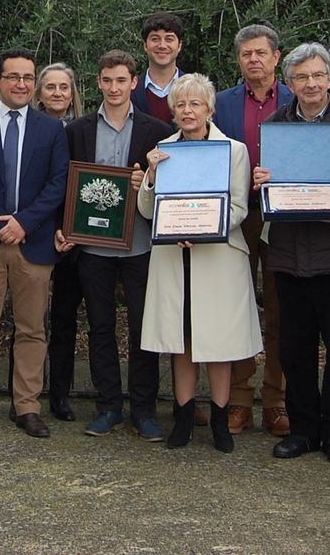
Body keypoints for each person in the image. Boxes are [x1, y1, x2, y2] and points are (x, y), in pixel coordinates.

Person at [252, 42, 330, 464]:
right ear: (288, 83)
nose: (311, 84)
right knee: (294, 347)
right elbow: (272, 187)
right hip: (287, 254)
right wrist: (263, 180)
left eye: (318, 75)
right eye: (301, 77)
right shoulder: (276, 125)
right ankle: (302, 429)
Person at [137, 72, 261, 451]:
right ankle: (184, 418)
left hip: (218, 257)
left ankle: (220, 422)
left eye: (195, 103)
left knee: (217, 341)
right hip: (175, 257)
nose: (187, 110)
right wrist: (152, 174)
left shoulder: (234, 150)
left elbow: (239, 206)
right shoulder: (162, 148)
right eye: (180, 104)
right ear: (172, 110)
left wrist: (204, 228)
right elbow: (146, 209)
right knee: (183, 339)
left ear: (209, 108)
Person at [0, 49, 70, 439]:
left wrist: (25, 222)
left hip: (33, 243)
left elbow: (58, 184)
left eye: (27, 77)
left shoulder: (52, 130)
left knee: (32, 329)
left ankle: (27, 405)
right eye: (13, 77)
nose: (22, 84)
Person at [68, 50, 171, 440]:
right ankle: (108, 405)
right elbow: (70, 187)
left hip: (140, 246)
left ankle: (144, 410)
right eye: (107, 80)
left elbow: (167, 192)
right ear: (98, 82)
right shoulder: (77, 130)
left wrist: (146, 182)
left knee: (144, 329)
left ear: (133, 82)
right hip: (93, 246)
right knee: (100, 327)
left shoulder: (157, 130)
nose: (114, 88)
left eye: (121, 80)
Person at [212, 24, 294, 436]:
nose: (254, 60)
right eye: (246, 54)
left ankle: (276, 401)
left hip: (285, 218)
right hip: (236, 215)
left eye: (261, 53)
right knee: (236, 307)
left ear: (277, 57)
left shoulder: (298, 100)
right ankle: (239, 399)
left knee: (281, 310)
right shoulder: (222, 104)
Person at [36, 62, 84, 422]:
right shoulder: (30, 130)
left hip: (76, 239)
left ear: (73, 93)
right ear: (39, 93)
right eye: (50, 87)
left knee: (65, 318)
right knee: (31, 320)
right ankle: (26, 392)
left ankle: (60, 395)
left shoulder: (85, 129)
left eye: (63, 87)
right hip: (38, 232)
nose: (57, 93)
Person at [135, 12, 185, 125]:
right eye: (155, 39)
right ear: (145, 45)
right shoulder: (130, 91)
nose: (162, 45)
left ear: (179, 45)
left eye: (169, 39)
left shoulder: (196, 90)